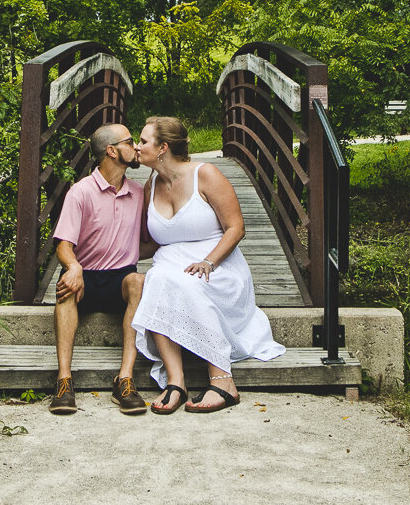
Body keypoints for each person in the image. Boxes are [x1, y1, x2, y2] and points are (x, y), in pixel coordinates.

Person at [131, 116, 285, 413]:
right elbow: (150, 244)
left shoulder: (206, 175)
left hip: (217, 265)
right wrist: (110, 257)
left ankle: (223, 380)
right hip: (171, 266)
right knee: (158, 278)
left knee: (188, 281)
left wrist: (208, 262)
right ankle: (175, 382)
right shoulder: (151, 185)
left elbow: (236, 228)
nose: (137, 147)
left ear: (163, 148)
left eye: (143, 141)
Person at [47, 123, 148, 415]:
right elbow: (63, 245)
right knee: (65, 286)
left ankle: (124, 380)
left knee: (139, 282)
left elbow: (147, 241)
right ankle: (64, 381)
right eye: (131, 142)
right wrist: (74, 266)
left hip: (120, 278)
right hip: (87, 276)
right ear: (112, 151)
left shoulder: (139, 191)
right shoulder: (80, 192)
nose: (136, 147)